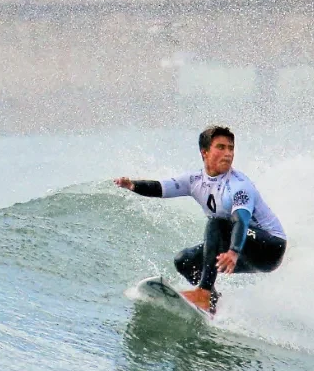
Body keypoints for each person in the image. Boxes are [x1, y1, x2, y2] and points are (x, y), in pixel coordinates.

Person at [114, 124, 287, 314]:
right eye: (221, 147)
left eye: (231, 148)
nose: (228, 153)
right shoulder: (194, 180)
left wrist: (234, 251)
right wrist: (132, 185)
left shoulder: (239, 185)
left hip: (269, 248)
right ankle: (212, 303)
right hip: (241, 246)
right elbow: (161, 188)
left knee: (217, 222)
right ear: (204, 152)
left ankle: (203, 293)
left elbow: (241, 220)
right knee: (185, 260)